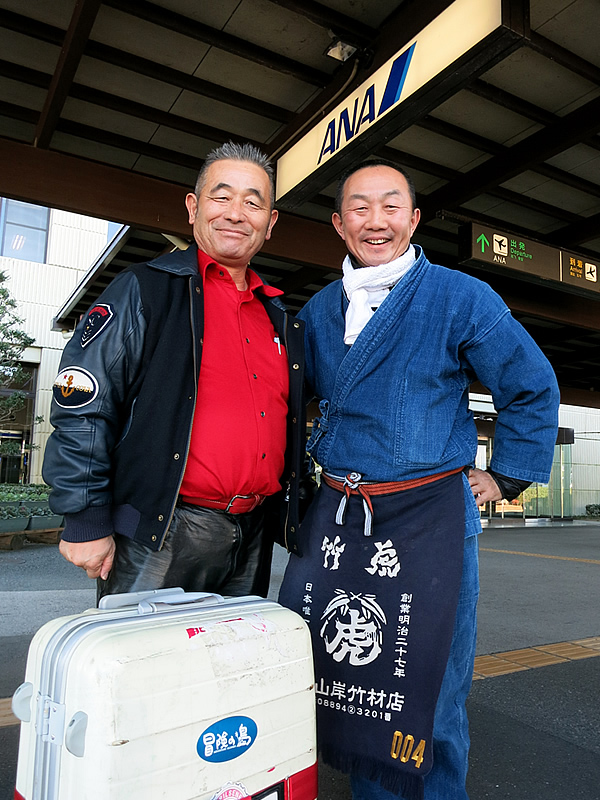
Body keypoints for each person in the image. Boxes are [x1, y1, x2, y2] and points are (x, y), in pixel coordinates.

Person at [278, 160, 559, 800]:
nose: (375, 221)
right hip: (343, 517)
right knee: (344, 676)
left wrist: (506, 474)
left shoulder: (460, 296)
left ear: (414, 217)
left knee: (428, 679)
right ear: (338, 222)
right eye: (360, 207)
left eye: (390, 206)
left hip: (429, 514)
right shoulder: (319, 311)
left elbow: (532, 385)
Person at [43, 142, 305, 602]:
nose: (236, 213)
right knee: (141, 667)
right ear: (193, 207)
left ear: (270, 223)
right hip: (160, 531)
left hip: (252, 533)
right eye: (221, 197)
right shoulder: (145, 289)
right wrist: (84, 516)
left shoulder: (279, 317)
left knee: (227, 668)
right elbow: (84, 401)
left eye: (253, 202)